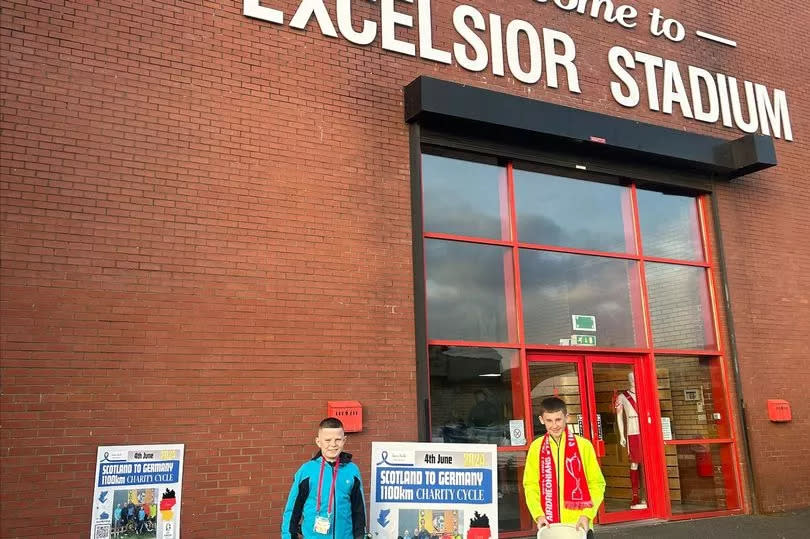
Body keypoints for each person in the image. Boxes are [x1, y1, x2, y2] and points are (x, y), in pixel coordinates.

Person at [523, 397, 605, 536]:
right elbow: (531, 485)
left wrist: (587, 515)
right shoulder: (536, 448)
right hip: (549, 527)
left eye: (558, 419)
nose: (554, 425)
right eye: (549, 420)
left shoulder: (584, 446)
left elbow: (597, 484)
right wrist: (538, 515)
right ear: (541, 420)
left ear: (566, 417)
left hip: (580, 526)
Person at [282, 417, 366, 538]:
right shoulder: (306, 471)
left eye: (338, 439)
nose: (333, 444)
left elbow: (359, 511)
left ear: (344, 440)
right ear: (318, 442)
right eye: (327, 440)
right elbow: (292, 510)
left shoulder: (352, 471)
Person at [615, 372, 647, 509]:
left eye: (635, 376)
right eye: (631, 377)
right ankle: (635, 496)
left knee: (646, 465)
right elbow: (619, 417)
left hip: (646, 432)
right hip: (632, 432)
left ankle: (647, 496)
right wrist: (622, 435)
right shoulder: (622, 397)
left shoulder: (645, 394)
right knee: (634, 464)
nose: (633, 379)